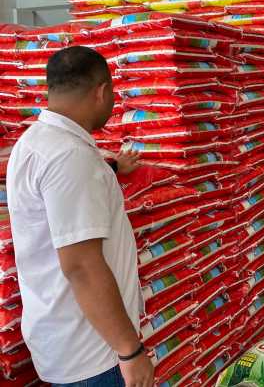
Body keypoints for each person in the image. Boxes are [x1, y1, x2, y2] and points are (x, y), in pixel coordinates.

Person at [6, 46, 153, 386]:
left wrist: (113, 166)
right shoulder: (70, 157)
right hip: (94, 354)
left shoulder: (35, 143)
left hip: (65, 338)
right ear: (101, 91)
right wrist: (130, 350)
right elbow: (81, 266)